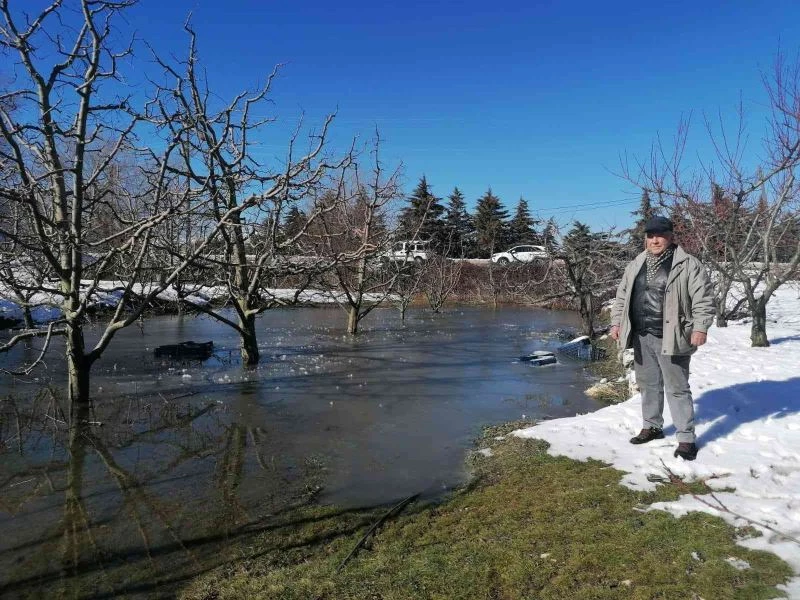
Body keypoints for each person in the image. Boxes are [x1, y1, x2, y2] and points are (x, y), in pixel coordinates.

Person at [609, 216, 714, 460]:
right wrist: (616, 322)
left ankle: (686, 439)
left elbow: (703, 299)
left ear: (670, 236)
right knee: (648, 385)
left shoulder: (688, 264)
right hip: (641, 334)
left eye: (660, 235)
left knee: (677, 388)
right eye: (650, 236)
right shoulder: (636, 263)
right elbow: (622, 296)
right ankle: (652, 426)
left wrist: (700, 327)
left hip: (673, 336)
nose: (655, 240)